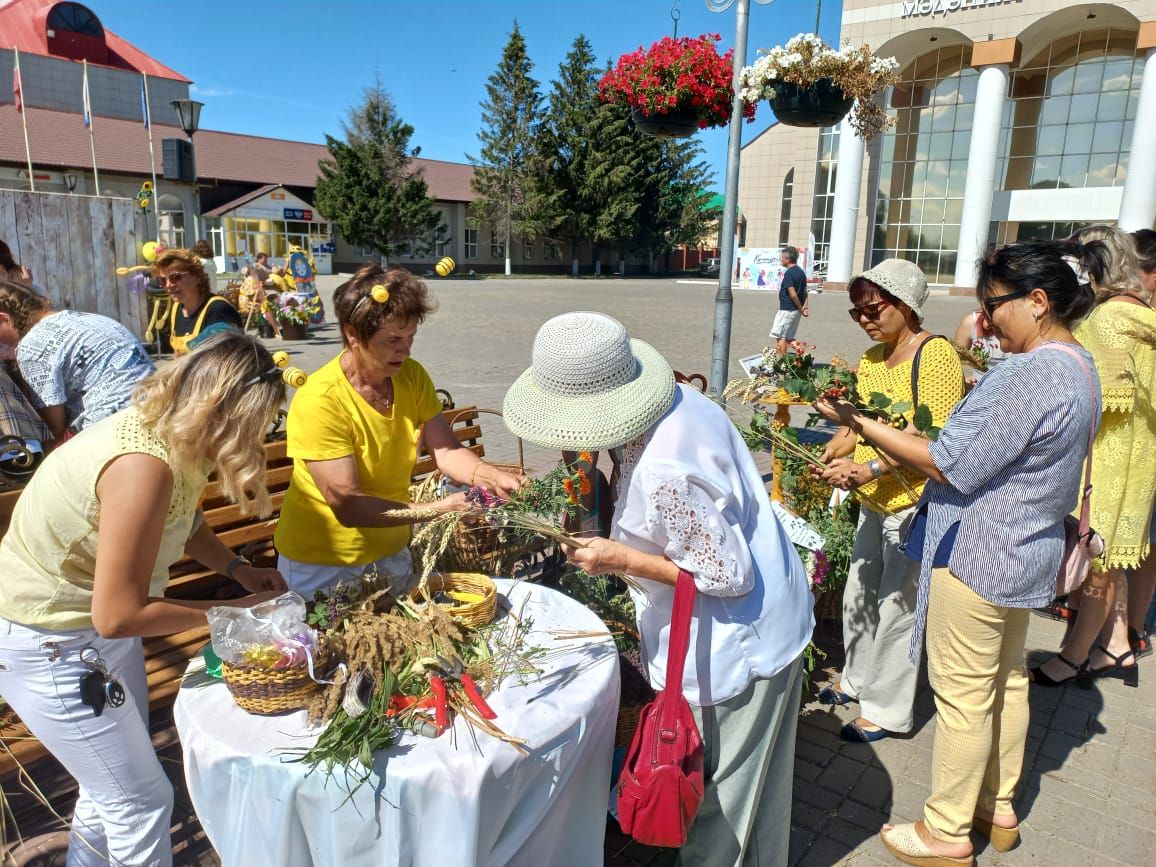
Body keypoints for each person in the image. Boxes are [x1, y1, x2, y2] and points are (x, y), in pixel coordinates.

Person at [814, 243, 1098, 864]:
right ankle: (997, 803)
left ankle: (945, 831)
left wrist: (860, 427)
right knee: (1007, 679)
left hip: (980, 551)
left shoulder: (1028, 374)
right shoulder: (1080, 365)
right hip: (1028, 548)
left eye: (994, 306)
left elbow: (948, 460)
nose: (987, 322)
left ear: (1039, 301)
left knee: (963, 693)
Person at [503, 311, 814, 866]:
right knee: (757, 794)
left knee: (720, 808)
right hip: (771, 612)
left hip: (737, 640)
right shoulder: (676, 402)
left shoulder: (665, 469)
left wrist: (619, 557)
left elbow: (724, 575)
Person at [0, 332, 288, 865]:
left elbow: (185, 518)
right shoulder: (141, 466)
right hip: (53, 644)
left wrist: (237, 569)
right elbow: (118, 615)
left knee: (109, 788)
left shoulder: (174, 437)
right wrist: (231, 614)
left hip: (83, 636)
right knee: (141, 801)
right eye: (259, 423)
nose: (260, 436)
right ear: (228, 415)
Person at [273, 265, 522, 596]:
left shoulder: (411, 376)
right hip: (323, 563)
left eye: (410, 338)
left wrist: (487, 475)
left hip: (390, 549)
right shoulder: (321, 400)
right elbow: (347, 505)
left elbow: (446, 450)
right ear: (352, 333)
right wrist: (440, 508)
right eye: (392, 340)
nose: (405, 351)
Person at [813, 259, 965, 741]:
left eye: (874, 309)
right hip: (874, 501)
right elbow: (856, 424)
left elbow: (930, 438)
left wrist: (868, 468)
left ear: (906, 304)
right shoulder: (874, 360)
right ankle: (858, 679)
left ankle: (888, 709)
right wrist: (826, 454)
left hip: (913, 502)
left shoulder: (935, 355)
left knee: (899, 607)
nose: (866, 320)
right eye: (857, 313)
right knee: (860, 595)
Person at [1031, 225, 1156, 688]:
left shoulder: (1107, 320)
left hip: (1110, 458)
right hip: (1132, 456)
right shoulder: (1135, 311)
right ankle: (1117, 645)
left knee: (1096, 558)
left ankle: (1074, 655)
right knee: (1110, 558)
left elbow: (1090, 397)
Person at [0, 280, 154, 439]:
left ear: (4, 319)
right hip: (158, 406)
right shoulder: (91, 319)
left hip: (117, 427)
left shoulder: (31, 347)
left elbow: (55, 431)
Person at [156, 248, 243, 355]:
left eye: (175, 277)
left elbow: (231, 360)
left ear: (197, 277)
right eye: (163, 280)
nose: (168, 285)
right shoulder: (177, 308)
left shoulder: (218, 310)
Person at [952, 308, 1008, 386]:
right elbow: (953, 360)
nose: (985, 325)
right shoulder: (971, 322)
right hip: (979, 391)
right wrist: (962, 381)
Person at [772, 245, 809, 354]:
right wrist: (804, 307)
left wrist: (801, 308)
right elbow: (805, 292)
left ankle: (781, 363)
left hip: (787, 309)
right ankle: (804, 355)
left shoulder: (789, 274)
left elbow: (793, 294)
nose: (781, 259)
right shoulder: (801, 272)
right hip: (795, 310)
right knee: (789, 337)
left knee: (781, 336)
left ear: (788, 259)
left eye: (782, 258)